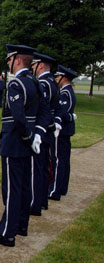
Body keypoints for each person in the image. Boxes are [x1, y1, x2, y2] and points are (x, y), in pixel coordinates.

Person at [0, 44, 43, 247]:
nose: (8, 63)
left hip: (15, 141)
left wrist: (27, 136)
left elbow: (17, 116)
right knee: (24, 186)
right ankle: (21, 225)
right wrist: (36, 135)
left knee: (12, 189)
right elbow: (45, 112)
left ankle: (7, 233)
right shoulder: (35, 82)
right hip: (26, 142)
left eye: (9, 59)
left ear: (17, 60)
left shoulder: (17, 84)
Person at [29, 52, 59, 214]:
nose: (32, 68)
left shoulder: (44, 84)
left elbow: (43, 109)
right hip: (47, 130)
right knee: (42, 167)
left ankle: (35, 203)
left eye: (34, 65)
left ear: (40, 65)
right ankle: (41, 200)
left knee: (37, 169)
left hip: (42, 130)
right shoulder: (52, 82)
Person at [48, 65, 77, 200]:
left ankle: (55, 190)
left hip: (62, 130)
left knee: (59, 159)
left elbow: (62, 112)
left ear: (64, 78)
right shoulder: (67, 91)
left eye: (58, 76)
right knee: (64, 159)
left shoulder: (65, 92)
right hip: (66, 130)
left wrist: (70, 116)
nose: (56, 78)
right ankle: (62, 187)